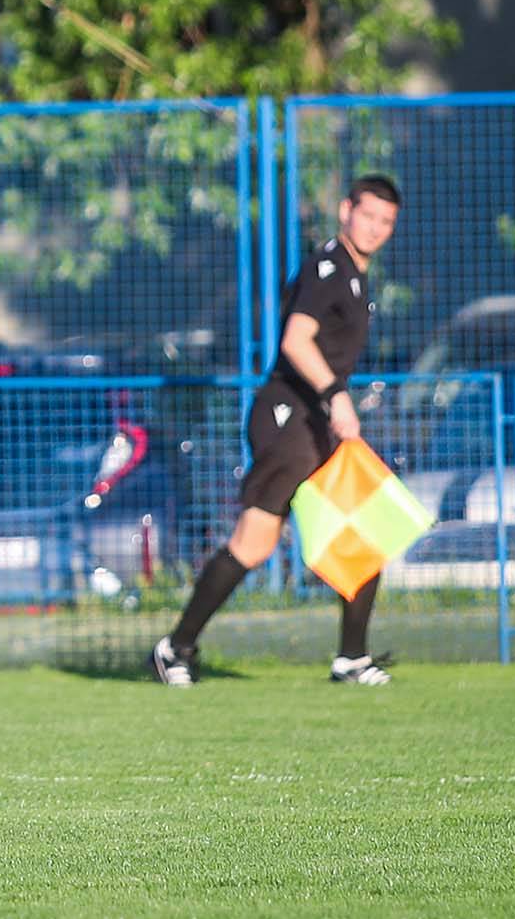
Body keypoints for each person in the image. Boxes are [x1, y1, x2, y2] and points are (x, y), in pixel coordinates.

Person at [150, 175, 402, 688]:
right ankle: (175, 648)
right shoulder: (328, 268)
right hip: (290, 418)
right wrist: (335, 395)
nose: (374, 228)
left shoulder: (354, 274)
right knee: (254, 543)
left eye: (385, 221)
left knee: (365, 534)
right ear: (344, 211)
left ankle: (352, 658)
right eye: (367, 215)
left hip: (315, 423)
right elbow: (296, 340)